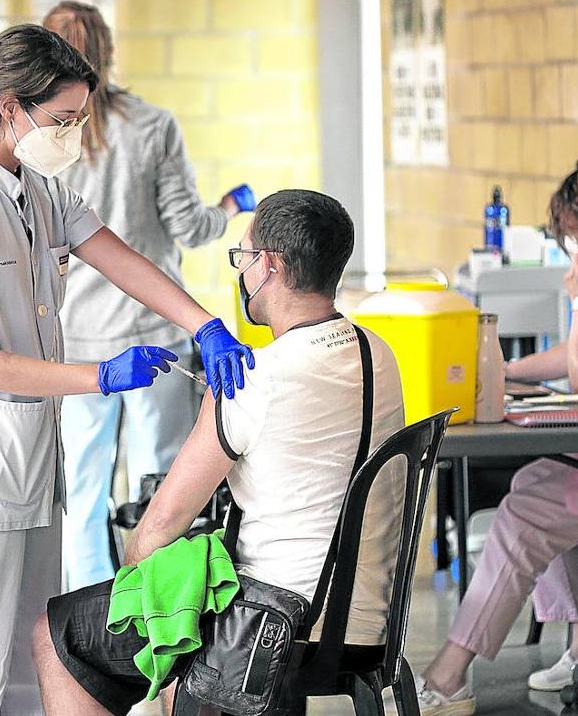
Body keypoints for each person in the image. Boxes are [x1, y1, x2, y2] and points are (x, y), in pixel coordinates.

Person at [0, 24, 254, 716]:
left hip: (33, 472)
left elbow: (119, 258)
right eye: (60, 121)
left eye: (77, 120)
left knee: (30, 657)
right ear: (8, 110)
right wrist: (100, 376)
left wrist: (202, 324)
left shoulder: (38, 190)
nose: (69, 135)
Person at [31, 190, 407, 716]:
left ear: (268, 266)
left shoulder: (255, 380)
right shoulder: (379, 354)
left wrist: (149, 590)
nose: (241, 271)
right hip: (368, 620)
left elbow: (157, 529)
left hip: (269, 627)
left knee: (59, 632)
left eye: (243, 257)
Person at [414, 154, 578, 716]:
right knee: (535, 486)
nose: (572, 249)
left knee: (524, 514)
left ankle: (448, 676)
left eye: (574, 236)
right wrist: (503, 370)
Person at [43, 0, 248, 591]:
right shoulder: (154, 126)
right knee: (164, 483)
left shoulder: (43, 138)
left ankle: (90, 612)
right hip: (153, 330)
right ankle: (159, 602)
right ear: (107, 48)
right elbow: (190, 228)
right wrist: (233, 206)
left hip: (78, 337)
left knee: (82, 484)